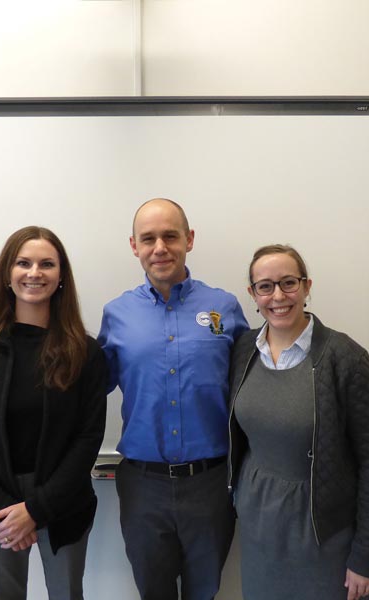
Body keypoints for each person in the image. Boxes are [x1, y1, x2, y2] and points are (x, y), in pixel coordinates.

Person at [98, 198, 249, 600]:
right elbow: (89, 392)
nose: (159, 247)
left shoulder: (225, 308)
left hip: (212, 484)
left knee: (205, 592)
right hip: (143, 486)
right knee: (153, 592)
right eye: (148, 238)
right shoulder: (116, 314)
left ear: (190, 239)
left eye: (170, 236)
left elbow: (253, 389)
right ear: (134, 245)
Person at [0, 226, 107, 600]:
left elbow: (88, 438)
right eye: (24, 263)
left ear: (61, 276)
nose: (35, 272)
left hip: (63, 500)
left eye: (47, 264)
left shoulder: (84, 352)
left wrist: (36, 510)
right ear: (7, 273)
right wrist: (5, 510)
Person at [228, 244, 369, 600]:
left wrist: (367, 556)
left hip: (324, 532)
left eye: (288, 282)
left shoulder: (345, 358)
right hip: (260, 531)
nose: (278, 296)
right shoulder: (243, 351)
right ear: (253, 294)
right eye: (265, 286)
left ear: (306, 286)